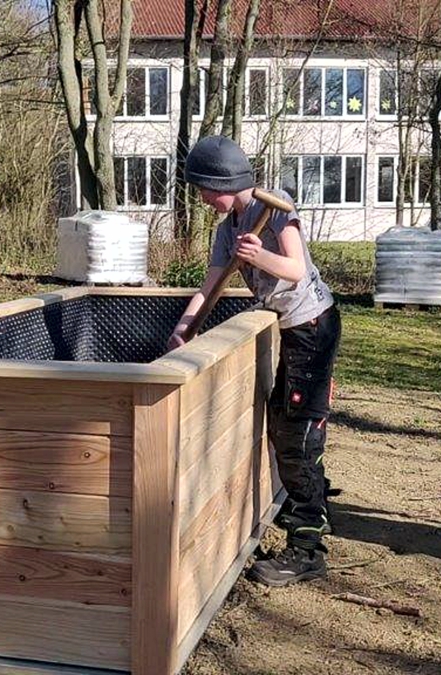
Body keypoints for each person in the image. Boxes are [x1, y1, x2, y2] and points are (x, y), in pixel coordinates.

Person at [169, 135, 341, 587]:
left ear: (225, 181)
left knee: (296, 434)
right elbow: (210, 286)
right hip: (291, 328)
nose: (204, 199)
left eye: (206, 190)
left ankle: (307, 549)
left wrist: (259, 254)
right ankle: (312, 504)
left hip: (313, 326)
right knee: (284, 423)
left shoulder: (275, 204)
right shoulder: (227, 230)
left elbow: (296, 269)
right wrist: (184, 330)